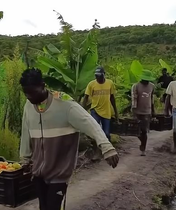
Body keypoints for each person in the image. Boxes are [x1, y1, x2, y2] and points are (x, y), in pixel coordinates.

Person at [19, 68, 119, 210]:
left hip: (60, 173)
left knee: (53, 207)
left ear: (42, 86)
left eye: (32, 93)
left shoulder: (65, 104)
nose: (29, 97)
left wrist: (107, 147)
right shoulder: (29, 106)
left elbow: (90, 123)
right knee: (44, 207)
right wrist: (25, 159)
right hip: (38, 172)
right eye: (26, 94)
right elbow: (25, 132)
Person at [82, 66, 118, 141]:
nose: (98, 77)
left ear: (104, 74)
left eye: (99, 76)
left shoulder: (109, 83)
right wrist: (82, 110)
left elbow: (112, 98)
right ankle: (97, 148)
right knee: (96, 131)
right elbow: (85, 97)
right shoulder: (91, 84)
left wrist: (116, 112)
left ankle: (107, 148)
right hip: (95, 110)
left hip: (106, 111)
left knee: (107, 133)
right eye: (96, 76)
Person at [131, 70, 156, 156]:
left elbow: (152, 99)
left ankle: (143, 148)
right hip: (138, 111)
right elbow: (134, 100)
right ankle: (142, 142)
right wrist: (133, 112)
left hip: (147, 112)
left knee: (144, 131)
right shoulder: (136, 86)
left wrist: (153, 111)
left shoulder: (152, 86)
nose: (146, 81)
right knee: (137, 131)